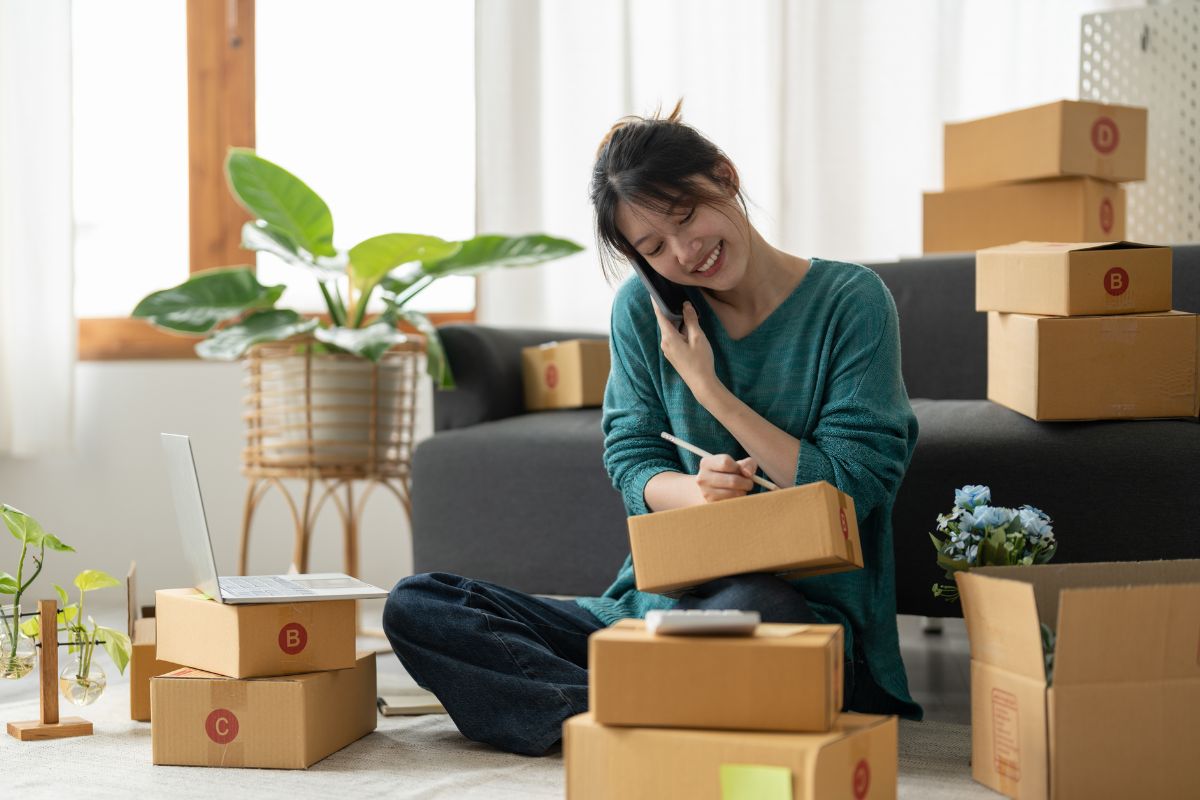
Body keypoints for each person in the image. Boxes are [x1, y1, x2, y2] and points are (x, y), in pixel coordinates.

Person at [382, 102, 922, 758]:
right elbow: (631, 456)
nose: (684, 253)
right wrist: (697, 495)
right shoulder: (643, 311)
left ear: (723, 177)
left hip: (801, 618)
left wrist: (710, 392)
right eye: (654, 247)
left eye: (686, 217)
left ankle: (589, 705)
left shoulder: (851, 302)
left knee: (754, 605)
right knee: (420, 604)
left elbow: (853, 486)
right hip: (650, 611)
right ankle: (633, 703)